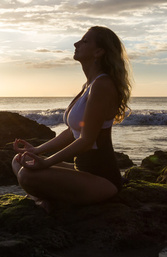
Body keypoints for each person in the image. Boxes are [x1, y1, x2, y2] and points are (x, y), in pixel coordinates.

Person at [11, 26, 132, 207]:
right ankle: (48, 200)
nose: (76, 44)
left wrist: (46, 162)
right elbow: (72, 131)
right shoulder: (89, 85)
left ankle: (48, 202)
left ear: (98, 51)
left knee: (26, 175)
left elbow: (86, 140)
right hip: (82, 171)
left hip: (102, 180)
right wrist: (37, 151)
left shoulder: (102, 85)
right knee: (20, 161)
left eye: (84, 41)